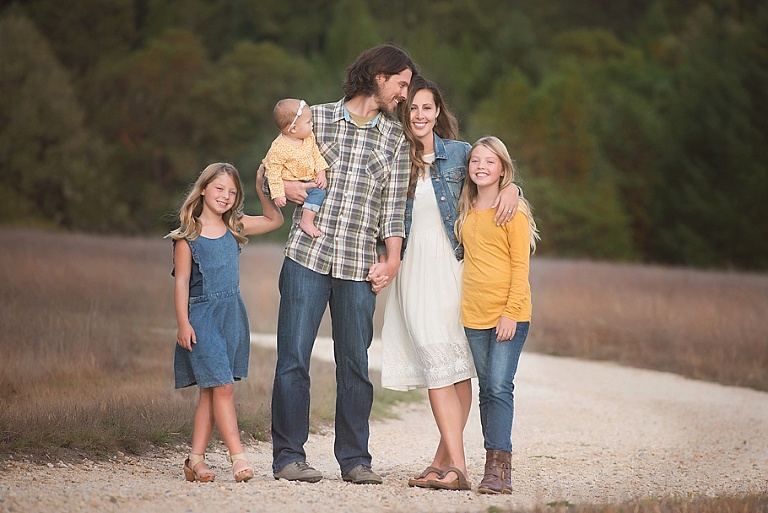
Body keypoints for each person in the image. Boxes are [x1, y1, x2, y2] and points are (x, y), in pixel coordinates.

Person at [268, 43, 417, 485]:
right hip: (307, 257)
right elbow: (272, 167)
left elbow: (393, 209)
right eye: (402, 84)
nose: (405, 95)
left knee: (354, 364)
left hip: (358, 266)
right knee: (292, 358)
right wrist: (290, 189)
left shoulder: (395, 139)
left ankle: (355, 460)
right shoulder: (314, 119)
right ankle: (288, 457)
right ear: (379, 77)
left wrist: (392, 259)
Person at [380, 76, 519, 491]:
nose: (419, 115)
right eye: (412, 108)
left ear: (438, 112)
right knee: (435, 362)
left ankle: (449, 464)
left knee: (457, 370)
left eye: (427, 107)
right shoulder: (393, 156)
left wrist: (514, 187)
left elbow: (492, 167)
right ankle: (451, 463)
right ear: (404, 113)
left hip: (456, 269)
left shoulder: (458, 154)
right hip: (413, 271)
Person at [168, 163, 283, 483]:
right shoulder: (186, 237)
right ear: (203, 189)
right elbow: (181, 284)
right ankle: (238, 458)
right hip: (201, 318)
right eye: (219, 189)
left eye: (232, 192)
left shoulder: (236, 226)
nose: (226, 196)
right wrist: (182, 324)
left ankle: (196, 460)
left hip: (232, 315)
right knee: (224, 387)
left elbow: (275, 220)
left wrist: (262, 189)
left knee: (211, 391)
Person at [455, 136, 540, 494]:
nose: (481, 167)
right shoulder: (464, 207)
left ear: (503, 169)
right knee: (486, 389)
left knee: (499, 386)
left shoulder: (513, 211)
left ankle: (499, 471)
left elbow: (521, 267)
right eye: (475, 161)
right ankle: (492, 463)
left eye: (490, 162)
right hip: (474, 314)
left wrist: (510, 313)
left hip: (509, 314)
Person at [264, 98, 329, 238]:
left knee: (319, 191)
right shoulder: (279, 148)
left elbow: (316, 155)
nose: (312, 124)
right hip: (291, 182)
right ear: (293, 129)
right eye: (308, 122)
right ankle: (306, 221)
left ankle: (308, 218)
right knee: (318, 193)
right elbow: (273, 172)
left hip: (308, 179)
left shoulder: (308, 138)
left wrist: (321, 172)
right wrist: (278, 193)